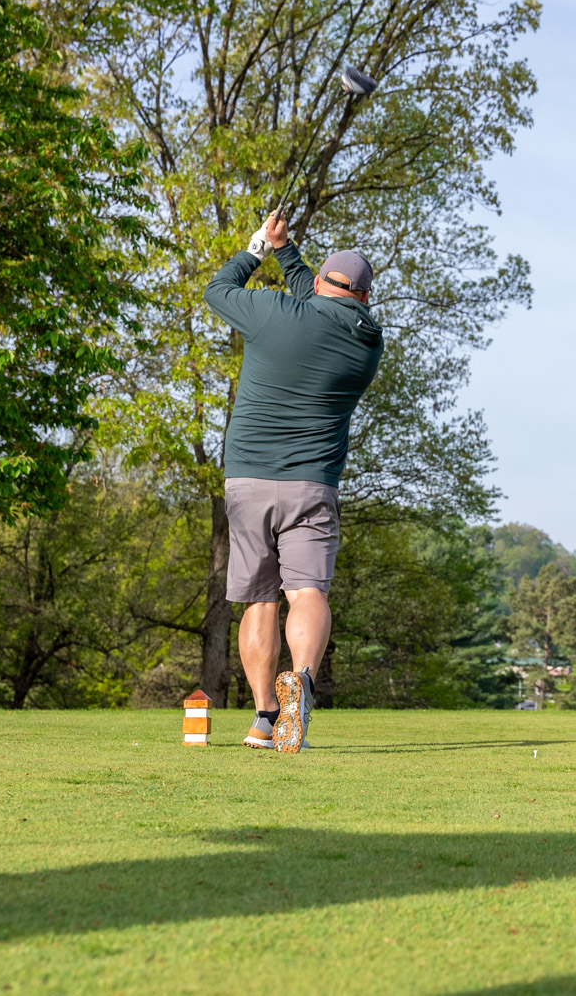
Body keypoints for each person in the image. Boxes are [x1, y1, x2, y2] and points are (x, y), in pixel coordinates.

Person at [204, 209, 383, 752]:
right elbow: (321, 301)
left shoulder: (270, 311)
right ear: (366, 298)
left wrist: (259, 247)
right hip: (311, 484)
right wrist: (288, 254)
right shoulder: (366, 341)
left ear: (321, 285)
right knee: (307, 591)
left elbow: (218, 289)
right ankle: (299, 684)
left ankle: (262, 717)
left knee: (260, 600)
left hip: (247, 481)